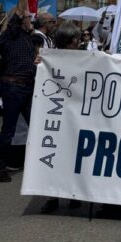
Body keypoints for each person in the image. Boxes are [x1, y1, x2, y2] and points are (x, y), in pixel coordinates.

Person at [39, 22, 84, 213]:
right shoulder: (52, 59)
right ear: (68, 40)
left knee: (74, 154)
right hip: (56, 113)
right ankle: (53, 195)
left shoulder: (85, 58)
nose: (79, 42)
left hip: (77, 114)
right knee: (55, 154)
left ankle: (72, 193)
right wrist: (40, 66)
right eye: (75, 39)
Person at [0, 0, 36, 182]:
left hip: (27, 88)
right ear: (20, 21)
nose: (32, 19)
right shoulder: (9, 36)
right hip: (13, 87)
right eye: (29, 18)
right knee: (9, 130)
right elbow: (19, 12)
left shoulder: (28, 40)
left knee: (36, 125)